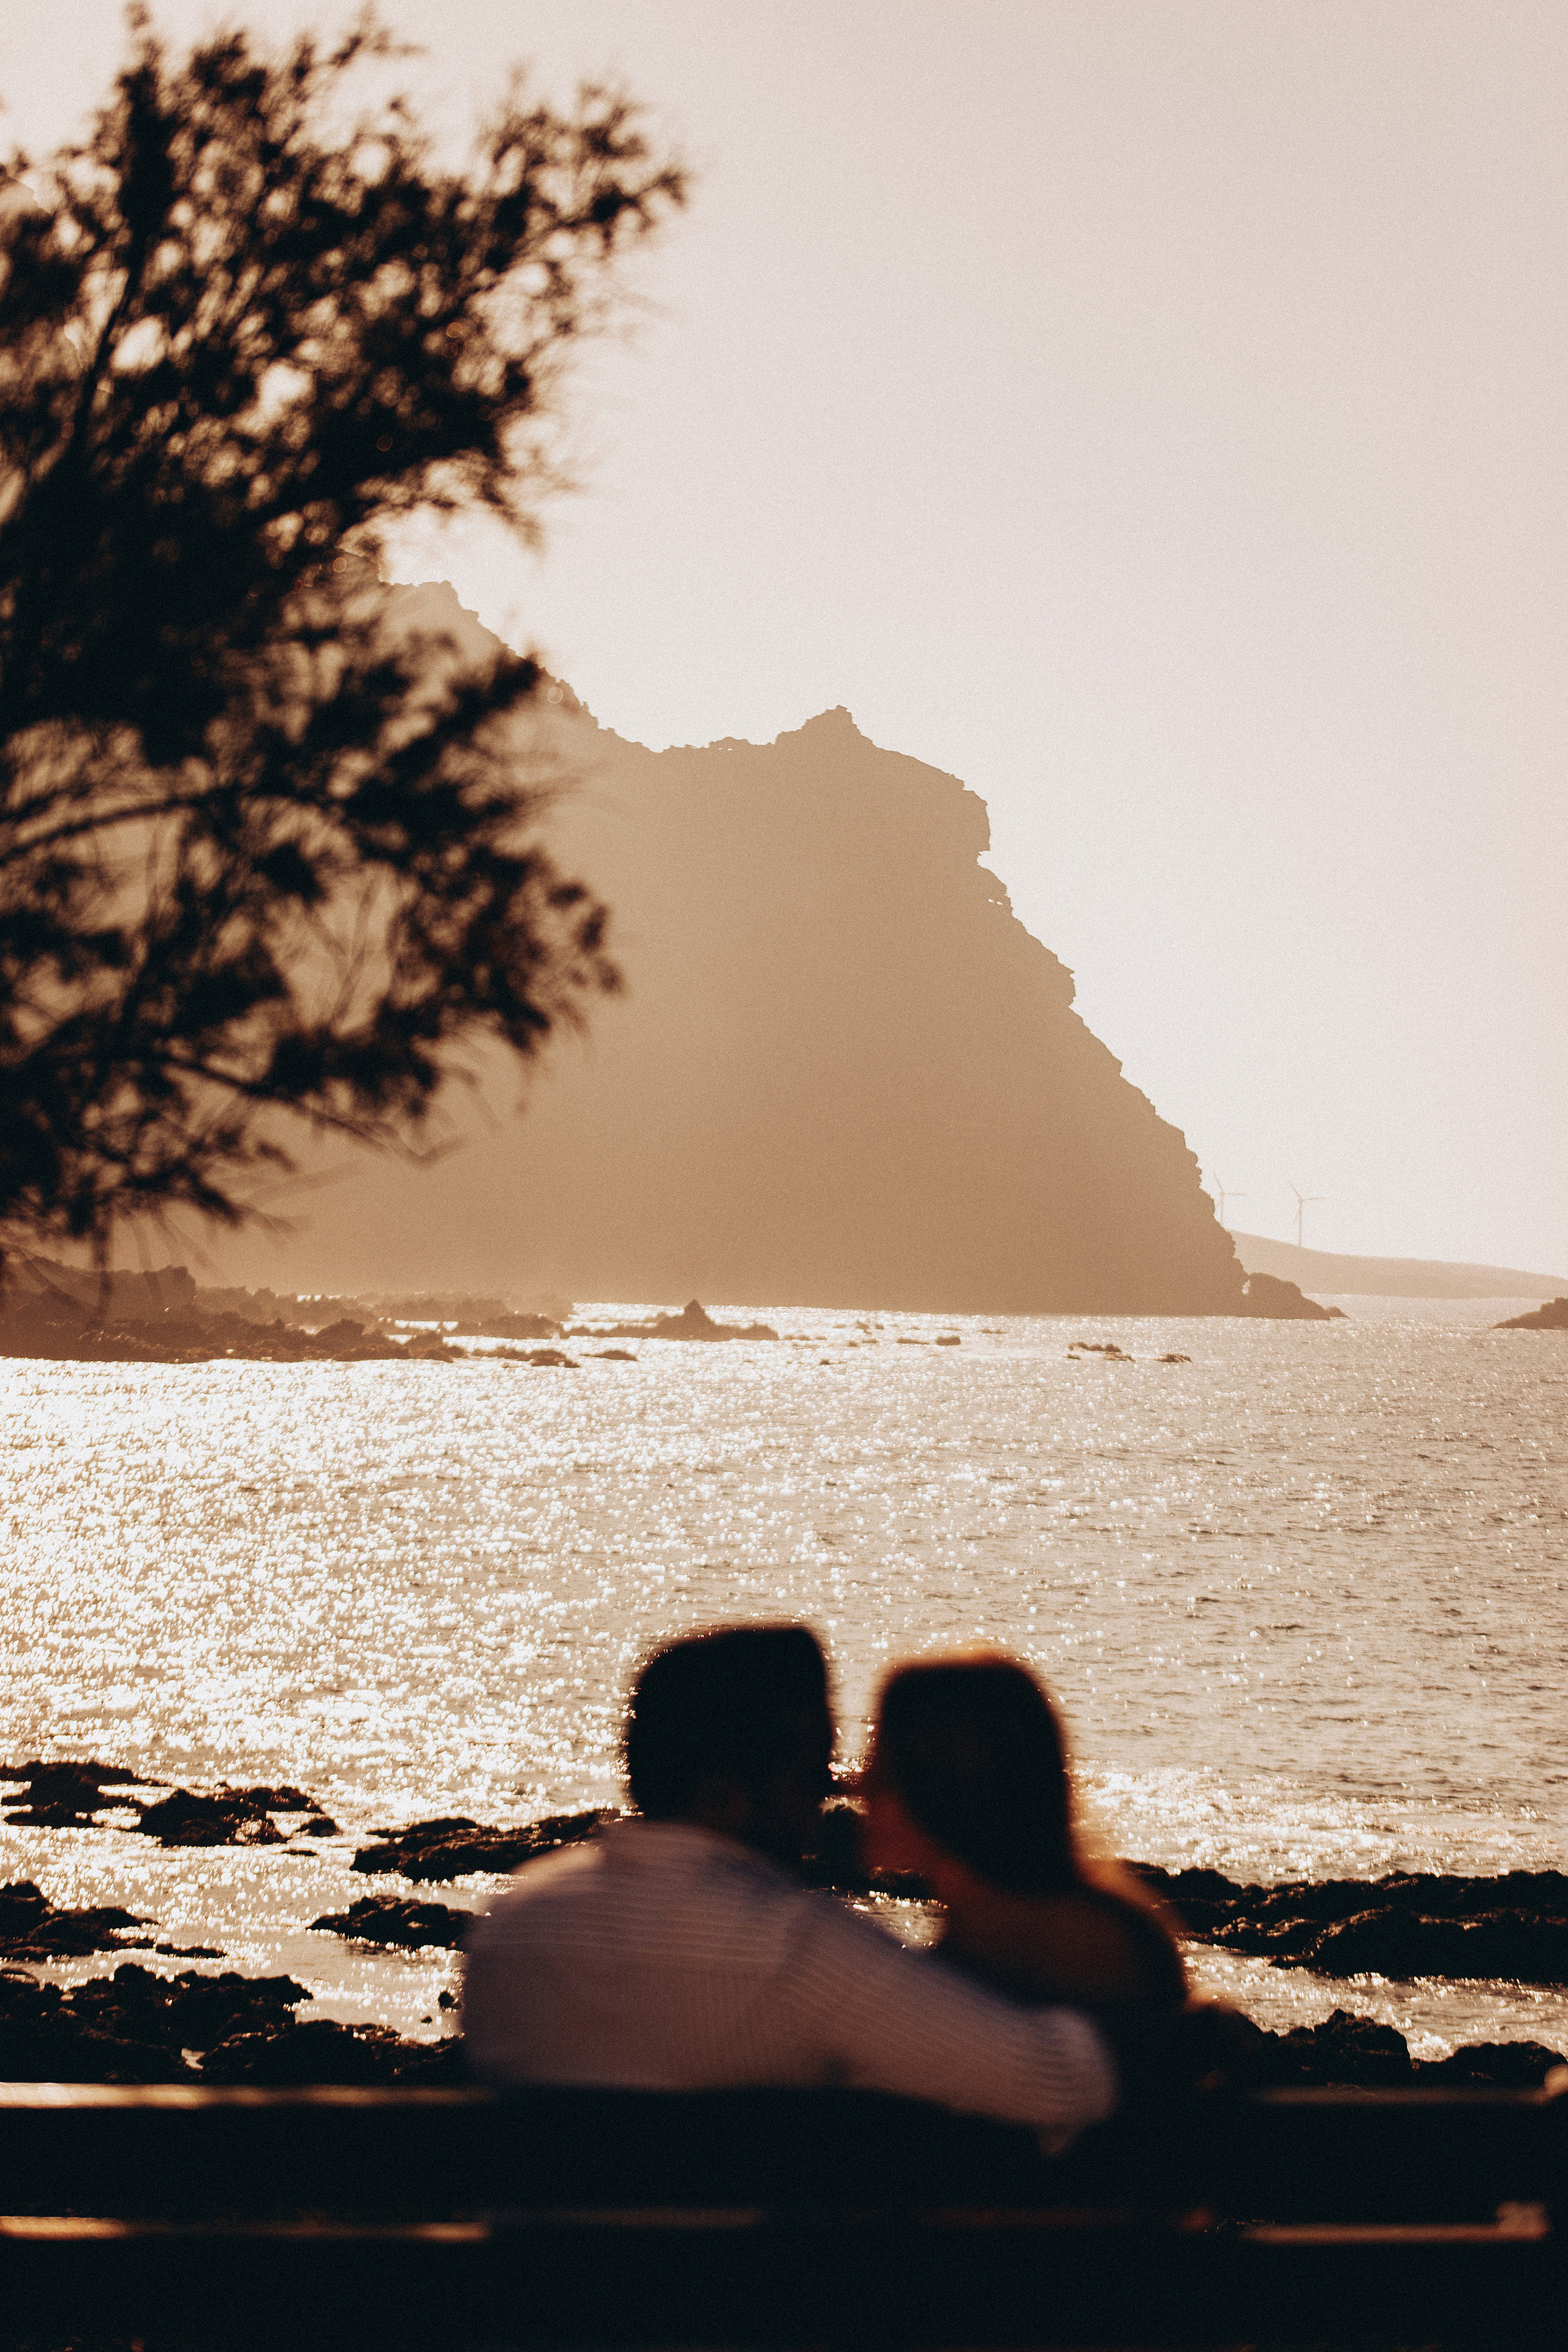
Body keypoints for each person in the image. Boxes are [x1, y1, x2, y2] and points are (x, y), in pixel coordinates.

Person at [462, 1623, 1118, 2148]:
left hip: (527, 2302)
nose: (831, 1793)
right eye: (808, 1771)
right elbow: (1053, 2082)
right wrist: (1198, 2034)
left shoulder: (510, 1923)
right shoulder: (787, 1945)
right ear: (722, 1795)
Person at [860, 1653, 1186, 2010]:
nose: (860, 1784)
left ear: (942, 1785)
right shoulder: (1121, 1930)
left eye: (880, 1763)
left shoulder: (1084, 1955)